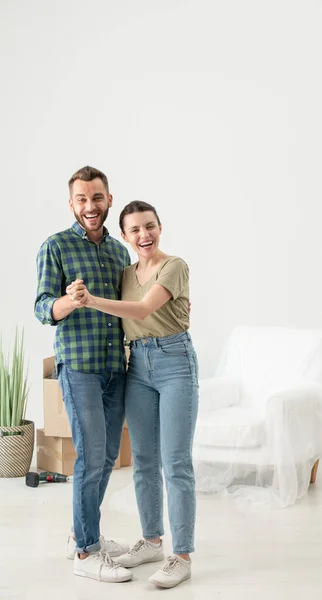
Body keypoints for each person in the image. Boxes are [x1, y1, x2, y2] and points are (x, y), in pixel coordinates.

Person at [67, 200, 199, 589]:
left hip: (175, 360)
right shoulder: (125, 272)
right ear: (124, 236)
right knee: (143, 460)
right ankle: (153, 541)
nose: (145, 235)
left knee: (175, 463)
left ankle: (182, 556)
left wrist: (89, 298)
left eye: (150, 226)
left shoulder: (174, 266)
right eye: (136, 230)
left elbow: (142, 310)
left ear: (161, 227)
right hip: (136, 365)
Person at [34, 166, 133, 583]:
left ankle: (83, 530)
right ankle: (85, 552)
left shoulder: (120, 252)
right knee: (91, 458)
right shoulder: (54, 247)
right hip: (79, 368)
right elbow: (42, 308)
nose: (90, 207)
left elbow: (131, 307)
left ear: (109, 200)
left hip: (116, 367)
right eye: (82, 200)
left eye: (97, 198)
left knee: (107, 458)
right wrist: (68, 302)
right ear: (71, 204)